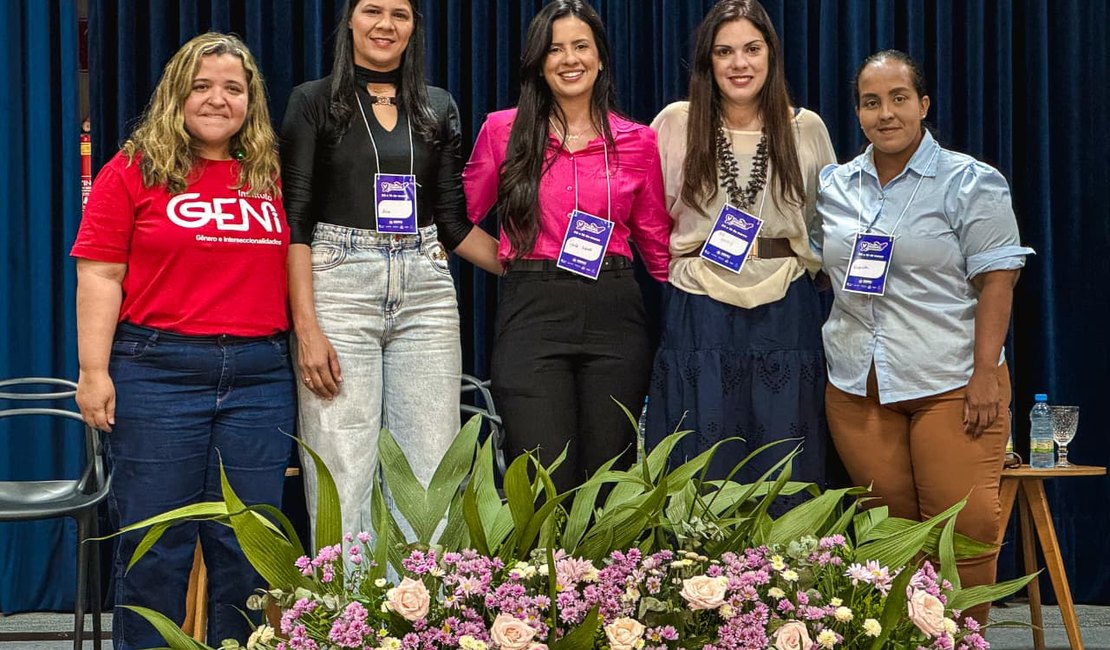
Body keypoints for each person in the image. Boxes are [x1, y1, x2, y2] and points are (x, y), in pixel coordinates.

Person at [71, 33, 292, 649]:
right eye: (202, 85)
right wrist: (94, 371)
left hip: (259, 379)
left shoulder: (271, 173)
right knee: (154, 551)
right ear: (176, 94)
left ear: (251, 100)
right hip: (157, 374)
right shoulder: (133, 169)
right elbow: (99, 272)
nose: (217, 99)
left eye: (233, 88)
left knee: (247, 556)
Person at [818, 49, 1033, 625]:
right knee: (893, 538)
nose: (885, 113)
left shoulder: (970, 181)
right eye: (871, 102)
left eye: (898, 99)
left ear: (923, 105)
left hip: (952, 381)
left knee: (965, 530)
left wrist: (986, 373)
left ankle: (963, 639)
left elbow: (998, 280)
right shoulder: (836, 185)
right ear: (858, 111)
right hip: (857, 385)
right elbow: (819, 263)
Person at [280, 0, 500, 538]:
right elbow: (296, 221)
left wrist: (534, 267)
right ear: (350, 21)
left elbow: (452, 222)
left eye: (399, 14)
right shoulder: (311, 102)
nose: (385, 24)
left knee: (430, 468)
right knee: (341, 466)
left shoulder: (437, 105)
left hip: (424, 282)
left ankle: (420, 616)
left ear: (413, 27)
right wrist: (306, 329)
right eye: (372, 11)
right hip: (338, 281)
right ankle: (348, 616)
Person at [463, 0, 671, 492]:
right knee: (541, 479)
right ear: (539, 61)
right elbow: (457, 221)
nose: (569, 59)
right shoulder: (502, 131)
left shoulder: (639, 142)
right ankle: (545, 572)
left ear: (600, 58)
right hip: (532, 312)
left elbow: (657, 247)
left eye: (581, 46)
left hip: (616, 312)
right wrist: (514, 264)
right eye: (555, 49)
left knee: (607, 480)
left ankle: (607, 573)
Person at [645, 0, 836, 489]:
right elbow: (646, 213)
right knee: (699, 454)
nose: (739, 64)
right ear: (708, 61)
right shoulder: (675, 122)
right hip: (699, 302)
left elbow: (828, 223)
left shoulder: (806, 128)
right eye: (724, 52)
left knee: (785, 457)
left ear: (771, 54)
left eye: (752, 49)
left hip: (785, 304)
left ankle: (785, 567)